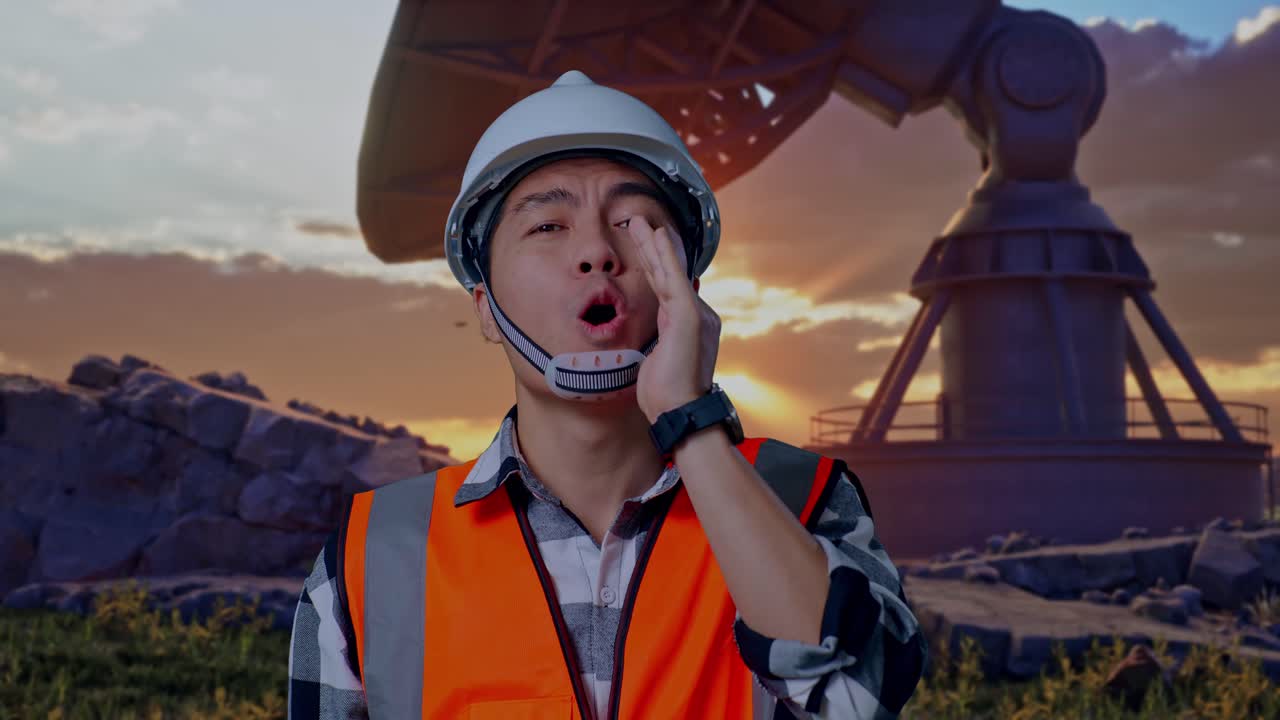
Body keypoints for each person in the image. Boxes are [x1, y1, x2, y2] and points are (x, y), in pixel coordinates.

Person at [288, 70, 927, 719]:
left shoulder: (802, 497)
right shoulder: (375, 551)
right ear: (484, 306)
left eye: (633, 222)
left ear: (688, 285)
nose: (596, 250)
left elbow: (862, 700)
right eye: (547, 227)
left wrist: (693, 423)